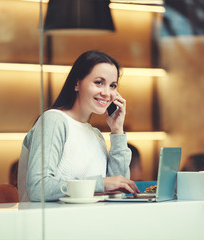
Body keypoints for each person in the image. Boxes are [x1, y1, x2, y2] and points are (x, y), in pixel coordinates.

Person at [18, 50, 139, 202]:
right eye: (99, 82)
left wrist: (117, 132)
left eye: (113, 85)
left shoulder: (96, 135)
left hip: (90, 220)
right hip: (54, 222)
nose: (107, 93)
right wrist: (100, 184)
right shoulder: (54, 120)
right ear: (77, 83)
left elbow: (119, 190)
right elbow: (38, 188)